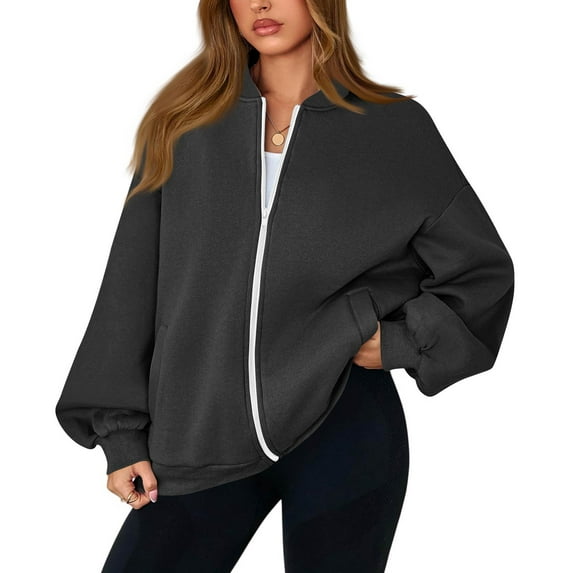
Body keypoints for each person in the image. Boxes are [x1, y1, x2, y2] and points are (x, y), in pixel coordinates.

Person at [54, 0, 515, 571]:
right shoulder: (184, 124)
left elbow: (481, 270)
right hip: (199, 428)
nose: (261, 4)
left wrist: (403, 341)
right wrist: (121, 434)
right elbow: (130, 287)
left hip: (343, 425)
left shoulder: (394, 128)